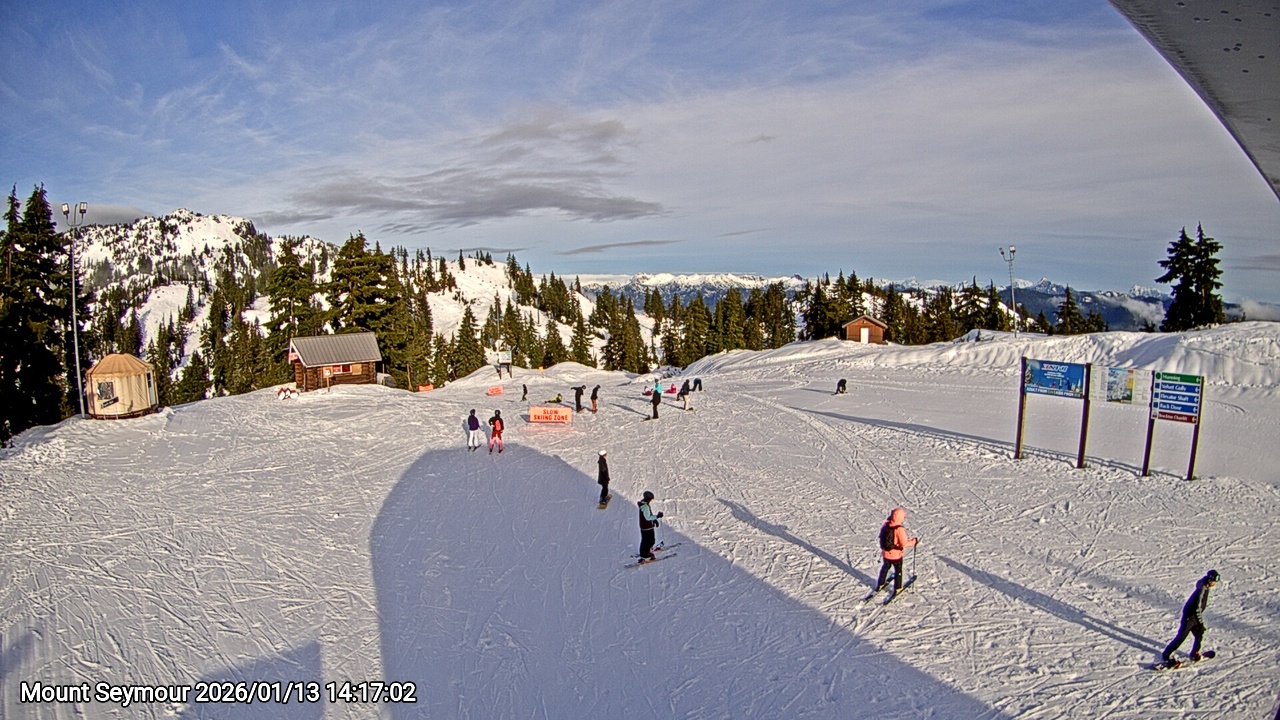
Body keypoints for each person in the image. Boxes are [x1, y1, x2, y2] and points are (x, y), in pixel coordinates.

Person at [1162, 570, 1220, 666]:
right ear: (1210, 580)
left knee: (1199, 634)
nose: (1216, 582)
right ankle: (1166, 655)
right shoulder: (1202, 589)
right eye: (1215, 580)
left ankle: (1195, 653)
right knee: (1181, 637)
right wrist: (1200, 623)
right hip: (1190, 616)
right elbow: (1197, 608)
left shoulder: (1205, 586)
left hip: (1195, 616)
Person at [876, 507, 919, 593]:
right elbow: (904, 543)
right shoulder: (899, 529)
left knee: (885, 567)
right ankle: (898, 588)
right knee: (898, 570)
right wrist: (914, 542)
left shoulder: (886, 524)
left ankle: (880, 584)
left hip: (886, 553)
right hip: (896, 555)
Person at [637, 490, 664, 563]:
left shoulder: (643, 504)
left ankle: (644, 552)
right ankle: (645, 555)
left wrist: (654, 520)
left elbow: (648, 515)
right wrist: (657, 516)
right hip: (647, 527)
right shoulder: (645, 506)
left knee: (645, 541)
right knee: (649, 541)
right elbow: (648, 517)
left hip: (645, 526)